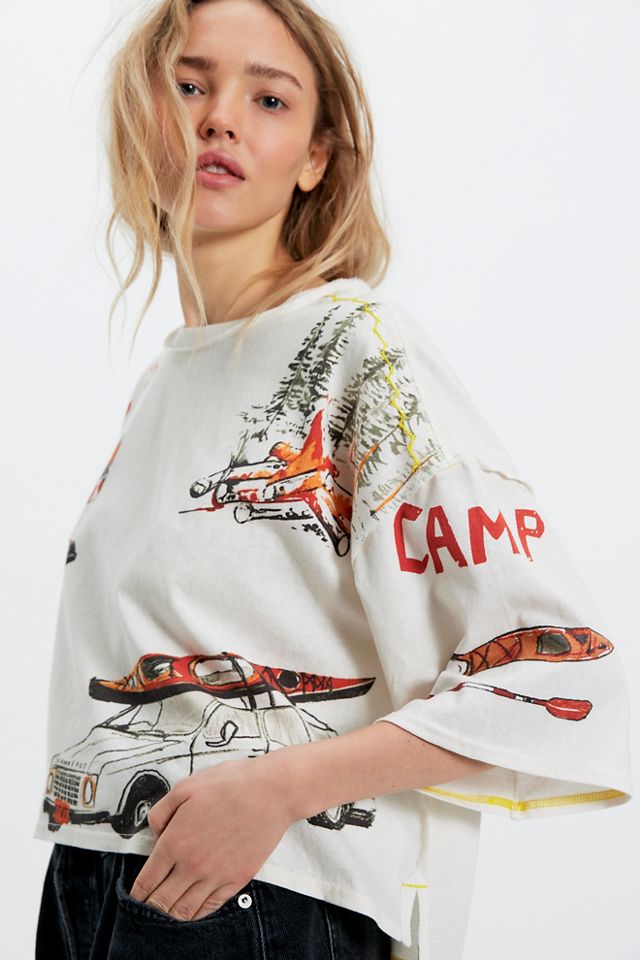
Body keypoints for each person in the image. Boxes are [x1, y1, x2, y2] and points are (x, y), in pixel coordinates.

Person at [33, 1, 633, 958]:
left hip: (254, 897)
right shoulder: (164, 383)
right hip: (91, 881)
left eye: (268, 99)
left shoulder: (361, 349)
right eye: (189, 85)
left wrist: (280, 787)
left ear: (317, 158)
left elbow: (559, 668)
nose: (219, 118)